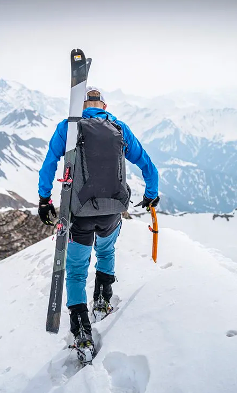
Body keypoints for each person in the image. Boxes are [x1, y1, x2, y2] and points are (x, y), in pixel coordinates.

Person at [37, 87, 159, 347]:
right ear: (104, 105)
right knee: (106, 252)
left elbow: (49, 163)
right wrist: (151, 193)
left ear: (82, 106)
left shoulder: (68, 127)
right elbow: (146, 163)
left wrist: (44, 200)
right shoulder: (118, 126)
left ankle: (81, 328)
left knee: (77, 271)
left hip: (79, 212)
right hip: (113, 209)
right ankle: (103, 300)